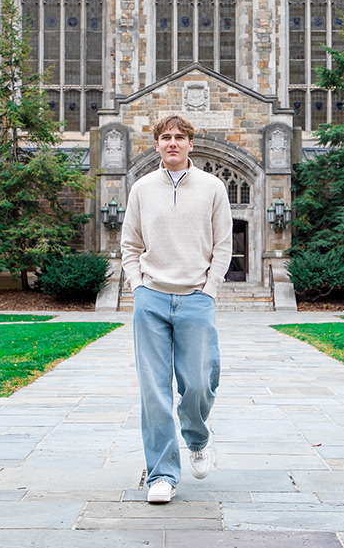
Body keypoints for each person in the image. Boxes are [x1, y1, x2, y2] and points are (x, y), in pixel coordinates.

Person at [120, 114, 233, 504]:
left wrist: (209, 290)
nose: (172, 143)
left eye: (179, 137)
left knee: (200, 381)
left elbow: (223, 246)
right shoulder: (141, 189)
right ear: (156, 145)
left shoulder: (214, 188)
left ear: (190, 144)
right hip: (151, 297)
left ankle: (198, 438)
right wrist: (137, 286)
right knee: (154, 392)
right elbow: (129, 245)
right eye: (165, 137)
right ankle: (161, 474)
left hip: (196, 298)